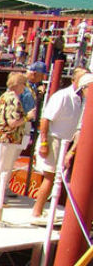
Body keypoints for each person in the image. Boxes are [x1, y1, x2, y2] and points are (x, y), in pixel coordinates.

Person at [31, 69, 90, 223]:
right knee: (50, 176)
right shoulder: (62, 96)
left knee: (59, 176)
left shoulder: (82, 99)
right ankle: (37, 212)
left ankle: (46, 210)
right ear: (74, 80)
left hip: (67, 141)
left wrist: (71, 150)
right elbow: (45, 119)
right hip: (54, 139)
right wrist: (44, 143)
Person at [0, 72, 28, 207]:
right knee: (3, 168)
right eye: (23, 84)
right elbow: (13, 122)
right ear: (18, 85)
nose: (24, 88)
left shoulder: (3, 96)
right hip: (7, 138)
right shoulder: (14, 99)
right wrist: (28, 117)